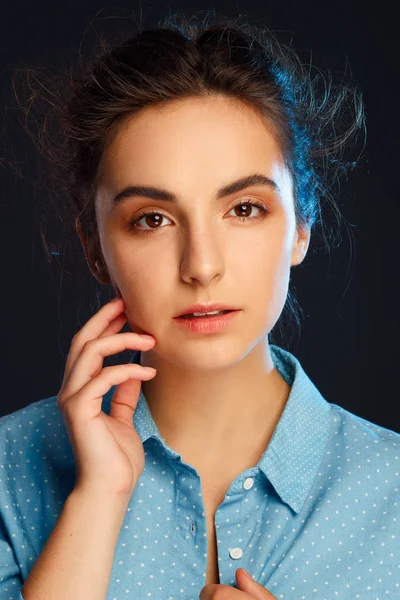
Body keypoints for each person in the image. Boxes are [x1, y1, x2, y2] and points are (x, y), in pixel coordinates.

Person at [1, 9, 398, 600]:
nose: (201, 265)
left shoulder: (391, 490)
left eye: (244, 208)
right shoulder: (10, 472)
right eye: (152, 219)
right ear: (95, 246)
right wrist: (98, 499)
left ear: (301, 227)